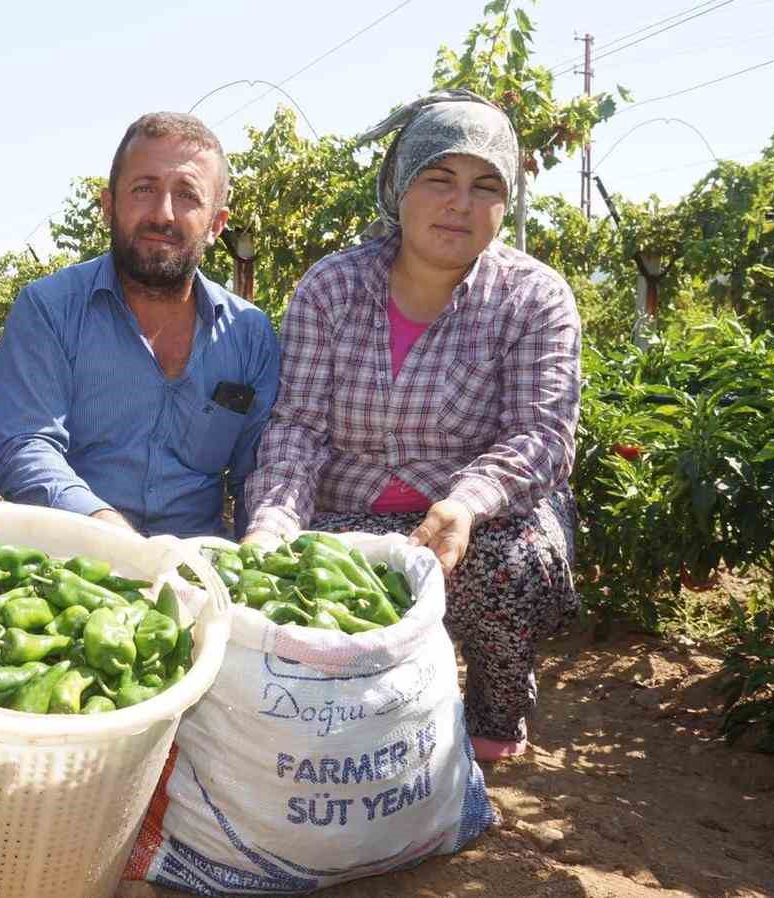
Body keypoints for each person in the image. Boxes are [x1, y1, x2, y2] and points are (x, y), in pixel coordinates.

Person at [243, 91, 581, 762]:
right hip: (350, 511)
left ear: (505, 204)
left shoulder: (534, 296)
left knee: (504, 569)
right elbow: (298, 427)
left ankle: (495, 709)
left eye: (485, 186)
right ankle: (360, 719)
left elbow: (541, 435)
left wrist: (464, 505)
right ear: (399, 187)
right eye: (439, 179)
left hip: (477, 519)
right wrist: (272, 523)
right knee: (295, 580)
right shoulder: (332, 288)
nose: (461, 203)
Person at [0, 112, 279, 539]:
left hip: (196, 568)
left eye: (187, 196)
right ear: (109, 206)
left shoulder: (249, 334)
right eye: (144, 189)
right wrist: (107, 533)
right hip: (75, 567)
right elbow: (26, 446)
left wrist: (259, 543)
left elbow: (256, 473)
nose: (163, 214)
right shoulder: (49, 310)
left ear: (217, 224)